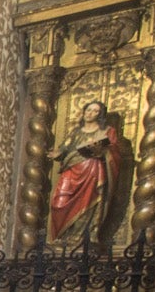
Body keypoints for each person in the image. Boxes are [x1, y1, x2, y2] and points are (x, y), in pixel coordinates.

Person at [48, 99, 126, 242]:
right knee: (58, 203)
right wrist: (57, 154)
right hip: (71, 170)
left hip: (92, 170)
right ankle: (63, 236)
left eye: (95, 111)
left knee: (87, 203)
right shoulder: (76, 132)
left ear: (100, 114)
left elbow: (114, 152)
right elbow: (64, 148)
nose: (90, 113)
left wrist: (102, 151)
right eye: (89, 110)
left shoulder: (107, 131)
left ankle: (81, 238)